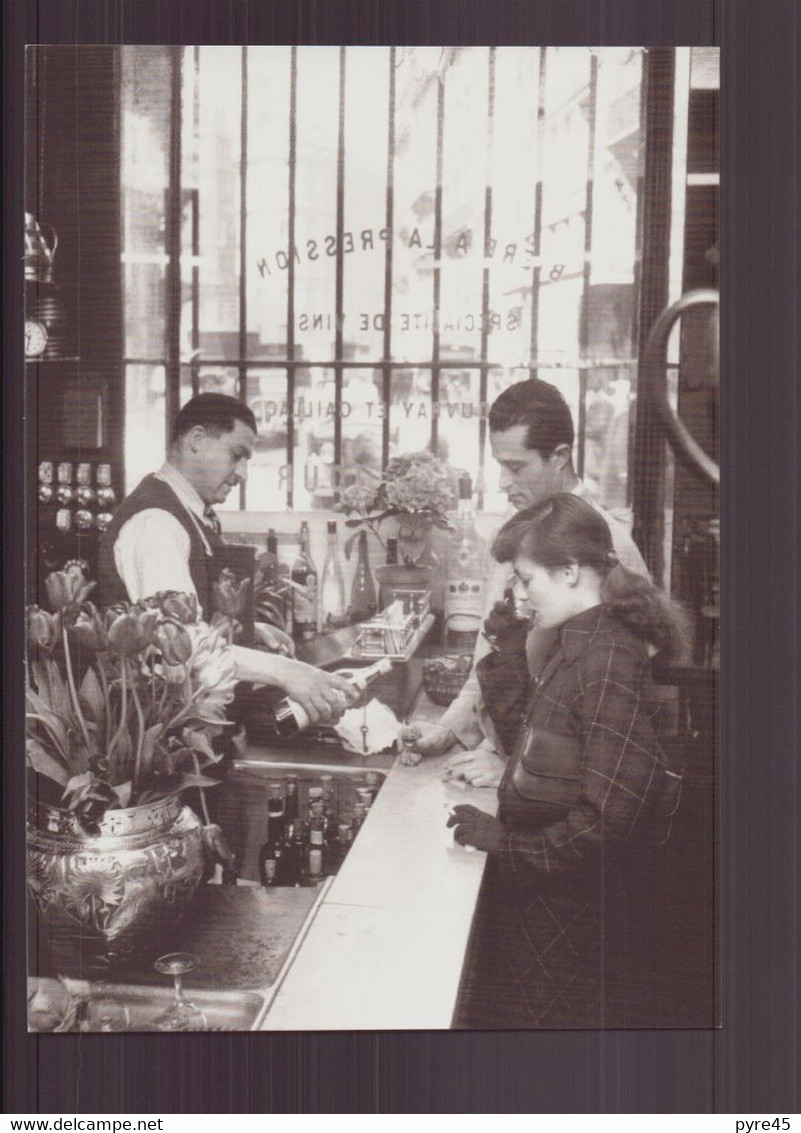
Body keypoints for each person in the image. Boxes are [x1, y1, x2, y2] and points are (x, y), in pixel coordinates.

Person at [445, 493, 687, 1028]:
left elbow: (608, 824)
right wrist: (508, 646)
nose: (522, 595)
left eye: (527, 580)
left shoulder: (607, 661)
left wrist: (503, 841)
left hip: (573, 925)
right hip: (548, 912)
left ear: (571, 572)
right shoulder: (575, 644)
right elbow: (542, 750)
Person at [401, 377, 649, 785]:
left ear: (560, 456)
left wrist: (522, 772)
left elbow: (614, 717)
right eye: (499, 465)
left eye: (516, 467)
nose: (502, 483)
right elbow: (493, 649)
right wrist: (449, 729)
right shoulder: (520, 530)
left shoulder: (608, 543)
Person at [98, 393, 358, 725]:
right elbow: (180, 644)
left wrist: (254, 629)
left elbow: (190, 623)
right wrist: (288, 672)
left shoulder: (189, 512)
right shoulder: (156, 523)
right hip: (155, 728)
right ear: (196, 439)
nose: (243, 473)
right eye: (236, 456)